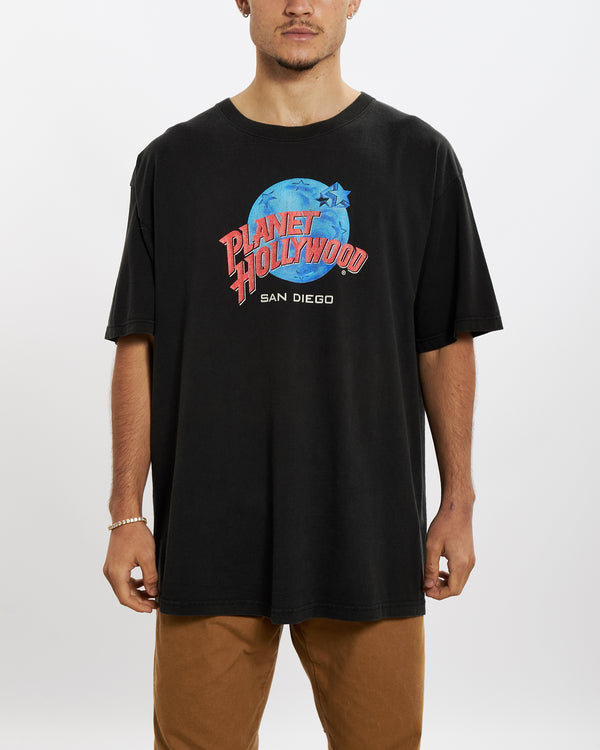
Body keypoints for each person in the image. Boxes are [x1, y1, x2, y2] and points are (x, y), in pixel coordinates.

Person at [102, 1, 503, 747]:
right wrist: (127, 512)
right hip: (209, 536)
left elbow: (445, 341)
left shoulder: (417, 157)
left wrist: (459, 501)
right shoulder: (174, 163)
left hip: (370, 533)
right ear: (242, 0)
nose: (298, 4)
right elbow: (138, 343)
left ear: (354, 1)